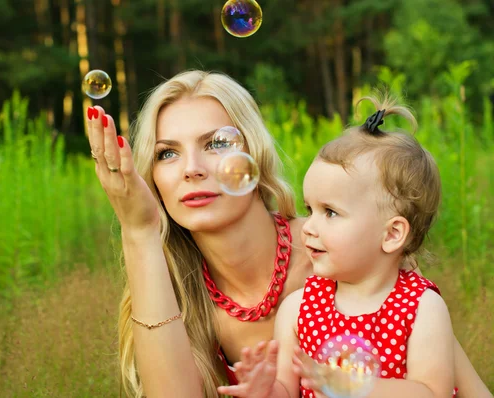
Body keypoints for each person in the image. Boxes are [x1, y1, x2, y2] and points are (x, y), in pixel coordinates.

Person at [85, 70, 492, 397]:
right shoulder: (176, 290)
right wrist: (139, 232)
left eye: (216, 143)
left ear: (255, 158)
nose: (191, 168)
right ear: (151, 175)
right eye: (167, 153)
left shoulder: (346, 255)